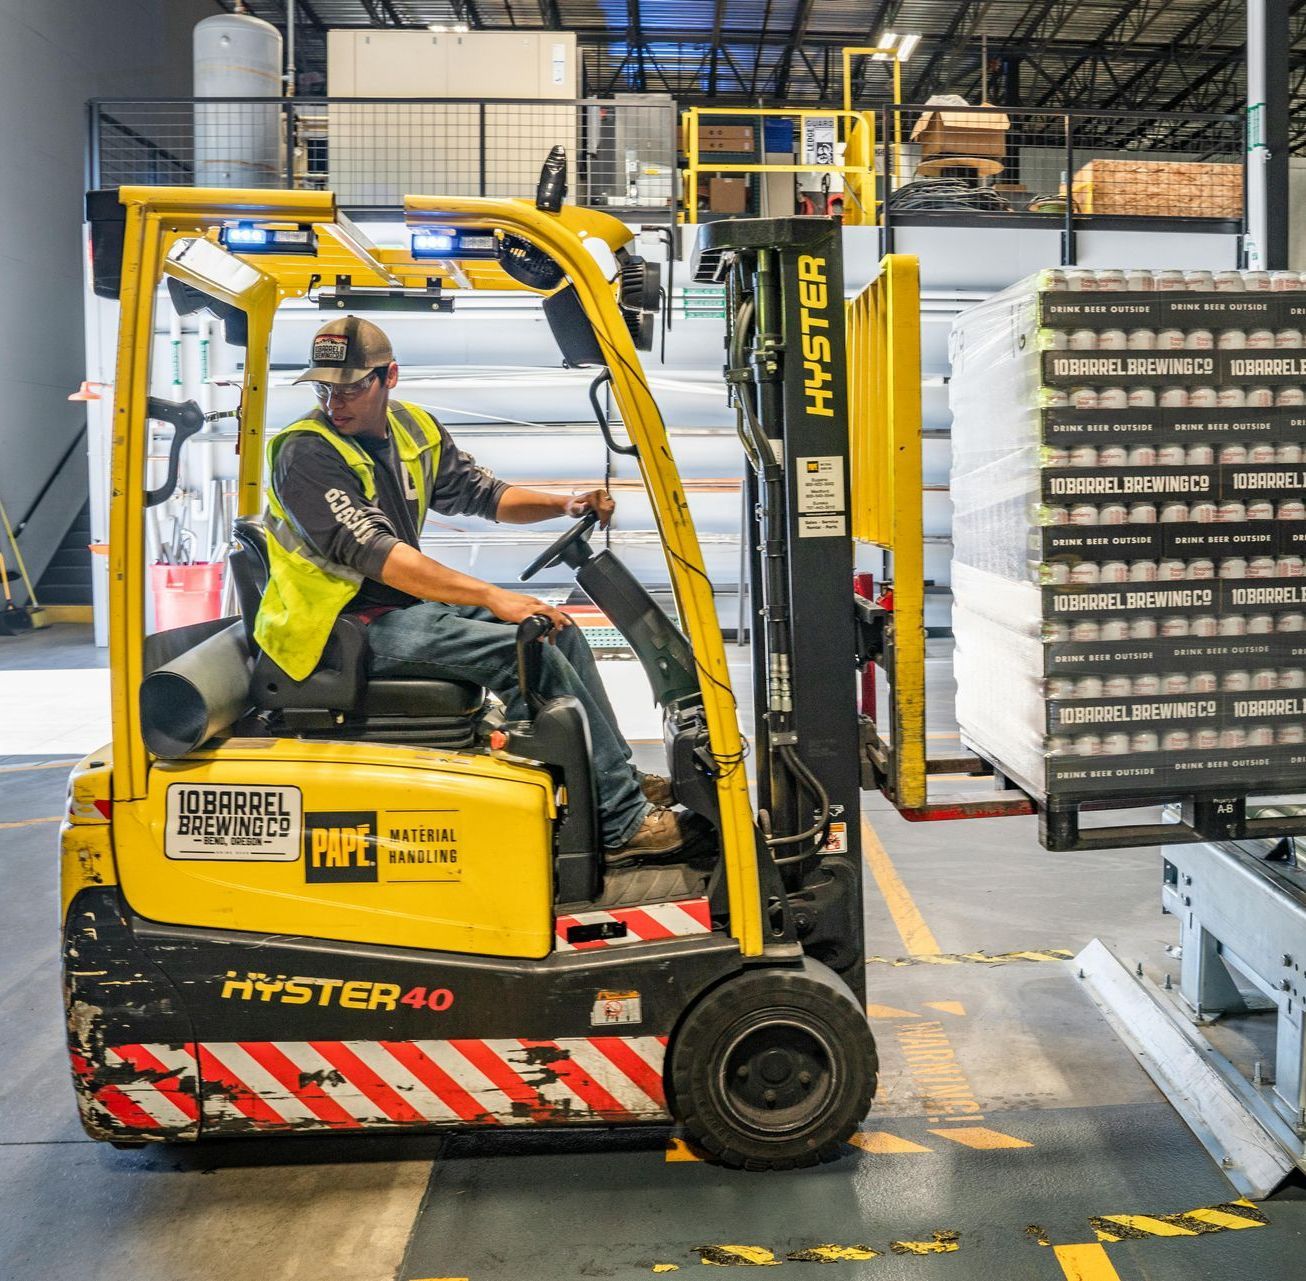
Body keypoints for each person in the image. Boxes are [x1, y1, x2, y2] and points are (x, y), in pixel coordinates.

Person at [254, 316, 686, 865]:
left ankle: (614, 779)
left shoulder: (413, 429)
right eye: (325, 388)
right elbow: (377, 554)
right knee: (525, 653)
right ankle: (621, 822)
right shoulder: (307, 453)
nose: (335, 401)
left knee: (559, 630)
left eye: (350, 386)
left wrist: (563, 503)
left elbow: (484, 494)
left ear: (390, 377)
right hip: (338, 629)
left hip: (394, 608)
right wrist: (489, 596)